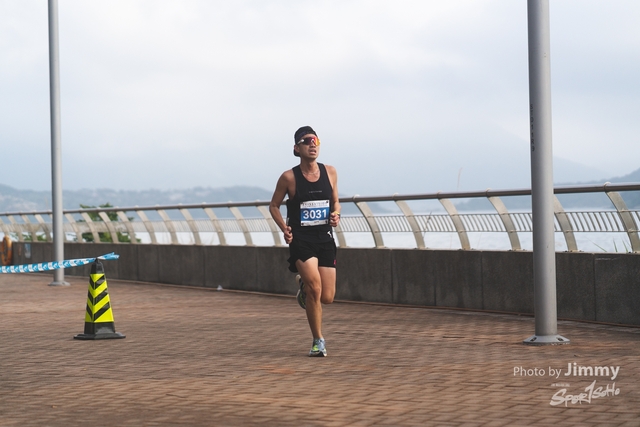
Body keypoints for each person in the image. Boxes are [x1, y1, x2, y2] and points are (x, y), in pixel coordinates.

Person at [269, 126, 341, 357]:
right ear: (296, 148)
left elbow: (336, 202)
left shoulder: (330, 172)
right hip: (301, 239)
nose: (312, 145)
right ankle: (318, 341)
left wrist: (336, 214)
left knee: (327, 297)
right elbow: (274, 206)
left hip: (324, 238)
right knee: (315, 289)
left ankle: (303, 287)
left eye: (315, 141)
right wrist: (285, 228)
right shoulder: (289, 177)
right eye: (307, 141)